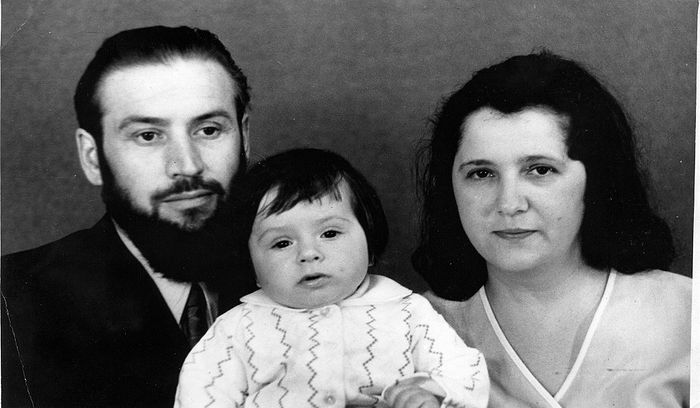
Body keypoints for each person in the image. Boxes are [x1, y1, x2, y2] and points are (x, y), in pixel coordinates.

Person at [412, 51, 691, 407]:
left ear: (596, 180)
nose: (509, 203)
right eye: (481, 173)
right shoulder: (409, 326)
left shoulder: (687, 315)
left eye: (540, 170)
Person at [1, 26, 257, 408]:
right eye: (148, 136)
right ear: (92, 158)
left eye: (208, 129)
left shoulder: (312, 273)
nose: (187, 166)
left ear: (244, 136)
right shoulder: (11, 303)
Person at [175, 148, 490, 408]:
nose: (308, 253)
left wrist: (431, 392)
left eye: (330, 233)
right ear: (251, 266)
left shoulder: (407, 311)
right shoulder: (237, 328)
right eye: (282, 243)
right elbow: (201, 391)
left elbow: (463, 368)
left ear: (369, 246)